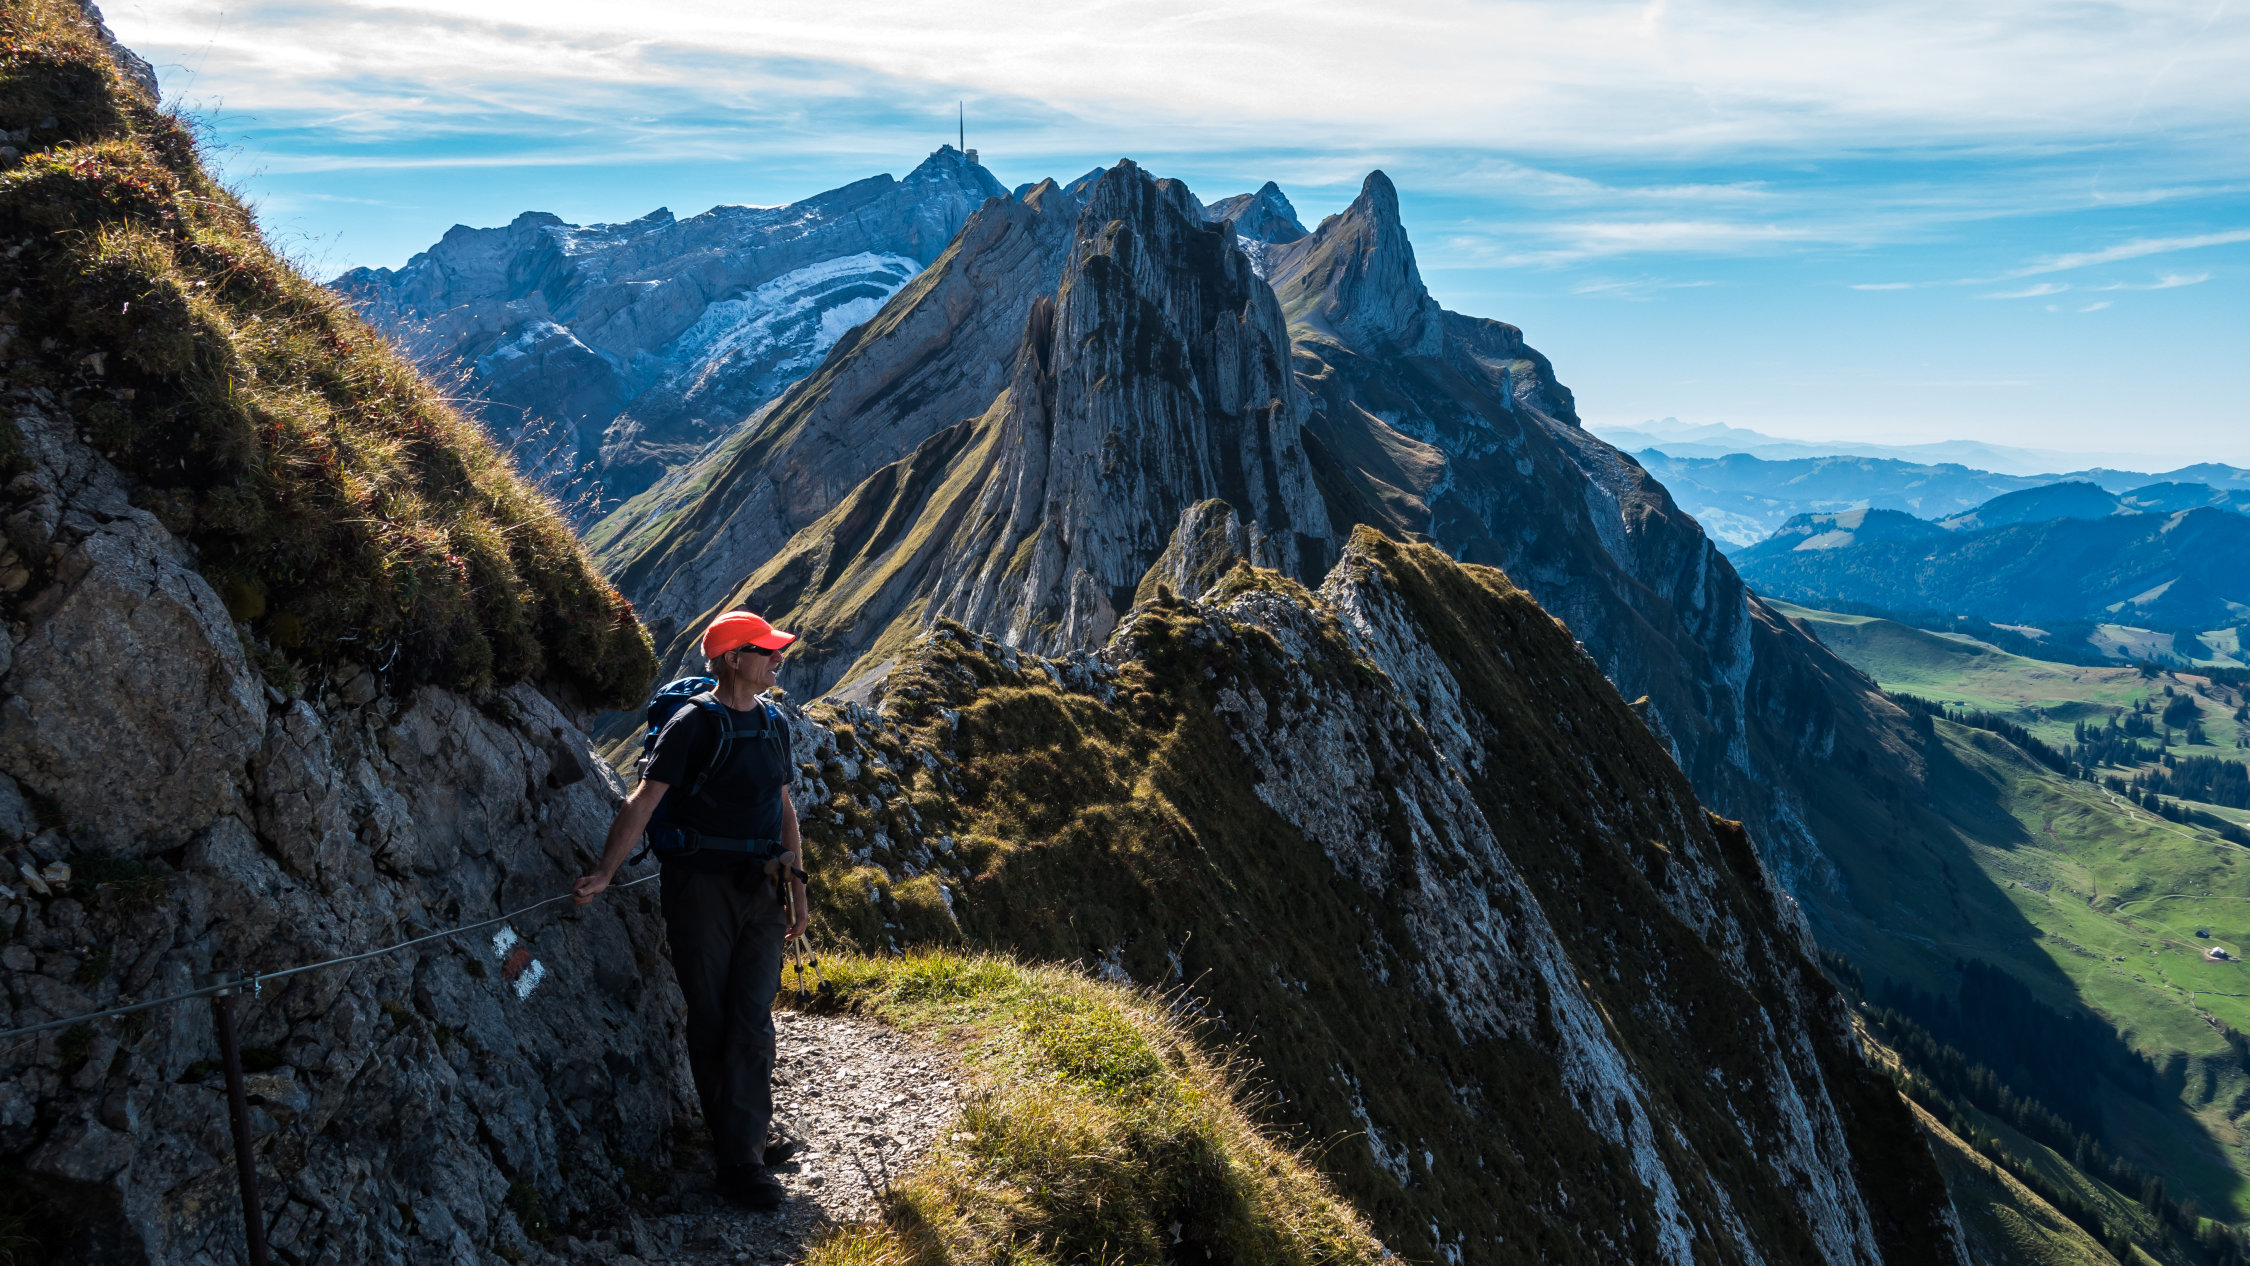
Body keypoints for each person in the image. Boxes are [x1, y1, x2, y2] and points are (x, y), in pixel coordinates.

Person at [574, 610, 812, 1211]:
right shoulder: (692, 724)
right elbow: (643, 801)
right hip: (699, 890)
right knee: (712, 1017)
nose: (778, 658)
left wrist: (799, 890)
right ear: (733, 658)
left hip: (763, 887)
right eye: (766, 650)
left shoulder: (774, 722)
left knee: (752, 1017)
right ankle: (739, 1152)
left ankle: (744, 1152)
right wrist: (606, 872)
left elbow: (783, 808)